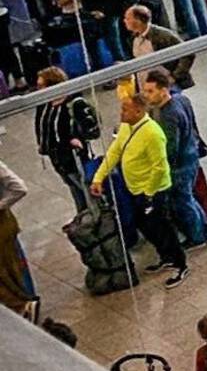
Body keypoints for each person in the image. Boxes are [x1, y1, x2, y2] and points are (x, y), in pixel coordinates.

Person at [90, 93, 190, 287]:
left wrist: (149, 194)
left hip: (153, 191)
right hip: (136, 189)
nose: (121, 112)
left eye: (125, 109)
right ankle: (165, 256)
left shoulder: (152, 133)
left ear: (138, 110)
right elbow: (115, 151)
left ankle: (180, 263)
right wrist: (99, 177)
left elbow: (160, 167)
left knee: (162, 227)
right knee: (145, 225)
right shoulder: (127, 127)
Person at [32, 66, 101, 214]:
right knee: (73, 188)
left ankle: (98, 218)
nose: (38, 89)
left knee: (86, 189)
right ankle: (83, 218)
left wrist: (75, 138)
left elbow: (90, 129)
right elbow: (41, 125)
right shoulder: (44, 104)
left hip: (74, 158)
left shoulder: (74, 103)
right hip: (57, 158)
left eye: (41, 86)